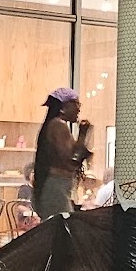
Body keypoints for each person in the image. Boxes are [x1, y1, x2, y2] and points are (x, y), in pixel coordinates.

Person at [33, 88, 93, 219]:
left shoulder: (53, 124)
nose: (79, 109)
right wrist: (82, 135)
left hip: (54, 185)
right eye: (76, 104)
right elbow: (71, 162)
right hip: (56, 187)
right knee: (62, 226)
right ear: (64, 107)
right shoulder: (58, 125)